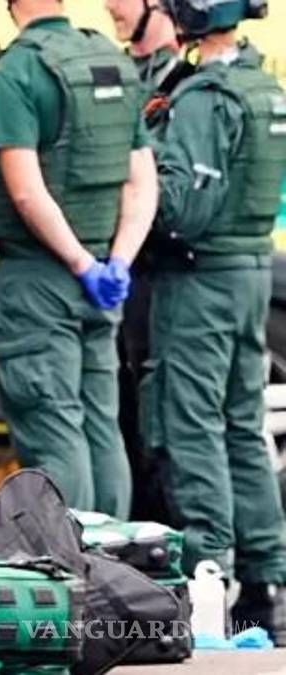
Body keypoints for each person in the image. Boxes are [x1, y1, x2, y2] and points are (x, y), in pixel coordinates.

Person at [0, 0, 157, 516]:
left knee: (54, 428)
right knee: (102, 426)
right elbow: (142, 181)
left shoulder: (19, 69)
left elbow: (26, 191)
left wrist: (80, 263)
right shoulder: (111, 61)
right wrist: (117, 262)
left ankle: (68, 558)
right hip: (103, 278)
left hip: (40, 279)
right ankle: (113, 554)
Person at [143, 0, 286, 642]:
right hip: (251, 272)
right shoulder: (263, 86)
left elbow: (182, 210)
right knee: (242, 427)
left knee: (193, 424)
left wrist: (141, 157)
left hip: (199, 282)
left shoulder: (204, 97)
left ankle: (209, 571)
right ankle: (265, 579)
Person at [104, 0, 188, 525]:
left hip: (160, 270)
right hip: (116, 269)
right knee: (121, 411)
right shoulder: (116, 75)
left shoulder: (184, 85)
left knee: (161, 420)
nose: (109, 5)